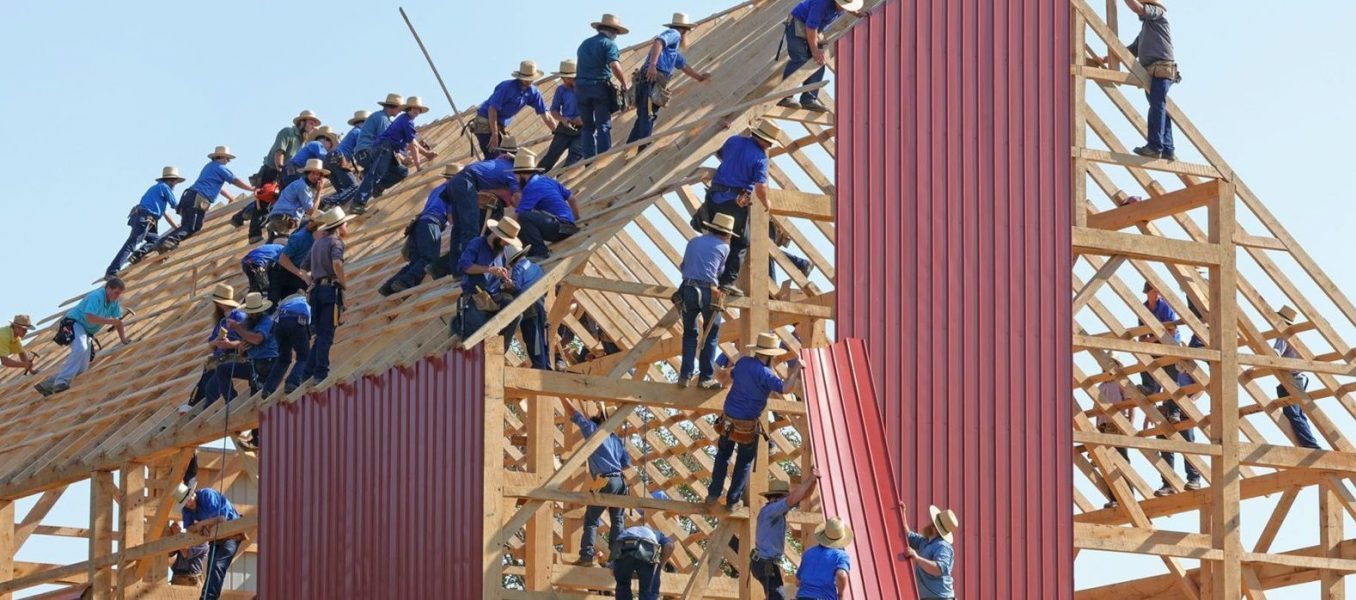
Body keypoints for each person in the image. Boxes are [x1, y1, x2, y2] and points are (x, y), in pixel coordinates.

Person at [707, 332, 803, 508]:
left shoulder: (743, 363)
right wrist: (797, 368)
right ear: (770, 355)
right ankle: (733, 500)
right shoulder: (766, 374)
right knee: (743, 462)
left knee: (722, 455)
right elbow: (786, 388)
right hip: (747, 425)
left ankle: (713, 493)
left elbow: (731, 376)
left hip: (728, 420)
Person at [689, 121, 782, 296]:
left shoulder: (733, 141)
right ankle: (727, 281)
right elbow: (760, 187)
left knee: (718, 235)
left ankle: (711, 275)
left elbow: (720, 153)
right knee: (742, 241)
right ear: (764, 140)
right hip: (733, 202)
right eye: (769, 143)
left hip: (714, 197)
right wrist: (766, 203)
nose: (769, 147)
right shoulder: (760, 158)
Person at [1138, 282, 1200, 496]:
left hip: (1181, 404)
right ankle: (1168, 483)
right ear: (1149, 292)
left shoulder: (1182, 361)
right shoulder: (1145, 307)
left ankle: (1194, 479)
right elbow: (1141, 333)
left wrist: (1189, 402)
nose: (1157, 293)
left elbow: (1170, 328)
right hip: (1166, 398)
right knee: (1166, 443)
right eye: (1154, 290)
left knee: (1187, 443)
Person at [563, 399, 631, 566]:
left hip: (605, 479)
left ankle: (586, 555)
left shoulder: (594, 431)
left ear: (601, 417)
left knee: (592, 519)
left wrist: (562, 397)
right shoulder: (615, 440)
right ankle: (616, 558)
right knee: (617, 520)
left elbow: (575, 415)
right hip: (620, 482)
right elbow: (626, 463)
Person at [34, 278, 129, 397]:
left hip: (87, 331)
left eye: (119, 294)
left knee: (82, 368)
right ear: (108, 288)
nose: (117, 296)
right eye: (116, 292)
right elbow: (90, 317)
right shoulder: (96, 296)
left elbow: (118, 322)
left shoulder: (114, 303)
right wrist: (110, 321)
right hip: (74, 323)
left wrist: (124, 340)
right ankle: (61, 382)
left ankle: (47, 384)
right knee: (80, 348)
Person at [626, 13, 711, 146]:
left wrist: (699, 77)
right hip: (652, 78)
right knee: (648, 114)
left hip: (648, 80)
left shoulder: (672, 51)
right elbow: (658, 42)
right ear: (684, 30)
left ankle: (630, 145)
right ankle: (643, 145)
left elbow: (683, 66)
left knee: (644, 115)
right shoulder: (674, 34)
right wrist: (653, 65)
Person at [380, 163, 463, 297]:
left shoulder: (436, 189)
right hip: (432, 224)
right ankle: (404, 282)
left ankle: (389, 286)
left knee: (417, 260)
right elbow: (451, 217)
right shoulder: (453, 191)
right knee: (429, 258)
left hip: (419, 224)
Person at [677, 213, 736, 389]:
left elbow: (683, 266)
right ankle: (706, 378)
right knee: (711, 334)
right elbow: (719, 271)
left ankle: (685, 375)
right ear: (726, 234)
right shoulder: (724, 248)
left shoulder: (693, 242)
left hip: (688, 288)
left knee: (689, 333)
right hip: (709, 291)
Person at [350, 97, 438, 214]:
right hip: (374, 151)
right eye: (414, 109)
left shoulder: (403, 120)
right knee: (376, 173)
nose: (416, 112)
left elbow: (410, 141)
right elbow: (410, 145)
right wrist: (418, 166)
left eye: (418, 110)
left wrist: (424, 154)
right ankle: (358, 203)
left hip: (380, 150)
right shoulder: (384, 119)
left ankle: (377, 188)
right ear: (395, 107)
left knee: (401, 171)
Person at [160, 147, 254, 249]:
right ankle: (169, 241)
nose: (228, 162)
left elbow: (218, 187)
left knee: (185, 227)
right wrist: (251, 189)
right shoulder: (220, 167)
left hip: (189, 197)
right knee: (193, 227)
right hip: (197, 199)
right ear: (222, 157)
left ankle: (161, 243)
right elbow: (235, 180)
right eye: (227, 159)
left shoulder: (209, 167)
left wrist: (230, 197)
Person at [778, 0, 863, 112]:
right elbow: (810, 27)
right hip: (797, 24)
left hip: (814, 29)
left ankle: (809, 100)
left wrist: (856, 12)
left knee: (819, 61)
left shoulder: (842, 7)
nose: (844, 8)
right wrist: (814, 50)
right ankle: (784, 97)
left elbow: (814, 28)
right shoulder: (821, 3)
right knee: (800, 59)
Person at [302, 207, 356, 384]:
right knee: (326, 334)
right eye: (346, 224)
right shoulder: (336, 242)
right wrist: (343, 283)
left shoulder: (317, 243)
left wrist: (314, 280)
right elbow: (337, 264)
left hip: (315, 292)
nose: (347, 227)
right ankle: (321, 373)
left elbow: (304, 268)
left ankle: (307, 373)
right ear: (339, 226)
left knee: (319, 335)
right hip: (329, 291)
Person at [1121, 0, 1177, 160]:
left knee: (1157, 106)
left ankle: (1155, 146)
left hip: (1161, 68)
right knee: (1159, 106)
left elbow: (1137, 8)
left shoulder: (1158, 13)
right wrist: (1106, 59)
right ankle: (1167, 147)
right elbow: (1131, 50)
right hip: (1152, 71)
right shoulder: (1146, 29)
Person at [752, 471, 820, 600]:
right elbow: (791, 500)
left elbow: (802, 498)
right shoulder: (771, 510)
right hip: (765, 564)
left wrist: (813, 482)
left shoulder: (774, 511)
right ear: (777, 499)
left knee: (774, 596)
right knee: (776, 597)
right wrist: (809, 479)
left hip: (766, 563)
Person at [202, 293, 277, 408]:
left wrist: (237, 328)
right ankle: (231, 402)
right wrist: (238, 349)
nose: (251, 314)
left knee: (258, 400)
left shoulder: (266, 320)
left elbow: (257, 339)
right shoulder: (248, 322)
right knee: (222, 370)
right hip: (253, 364)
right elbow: (244, 347)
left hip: (267, 363)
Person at [106, 166, 184, 277]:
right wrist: (187, 219)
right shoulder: (165, 187)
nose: (176, 184)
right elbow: (176, 206)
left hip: (145, 218)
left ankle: (137, 255)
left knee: (156, 240)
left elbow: (166, 214)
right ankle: (112, 271)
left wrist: (177, 227)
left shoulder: (157, 190)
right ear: (172, 180)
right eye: (176, 182)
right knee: (131, 244)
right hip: (145, 218)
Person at [179, 284, 245, 414]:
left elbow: (247, 341)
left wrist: (229, 345)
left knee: (211, 384)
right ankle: (194, 405)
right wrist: (216, 342)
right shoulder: (222, 321)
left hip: (233, 357)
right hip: (220, 358)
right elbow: (210, 344)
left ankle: (204, 409)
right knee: (206, 375)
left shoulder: (240, 317)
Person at [454, 218, 522, 342]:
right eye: (505, 241)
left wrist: (506, 281)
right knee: (478, 335)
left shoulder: (503, 251)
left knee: (515, 314)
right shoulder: (477, 243)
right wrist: (488, 269)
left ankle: (499, 350)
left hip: (494, 297)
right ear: (496, 236)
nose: (507, 244)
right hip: (475, 297)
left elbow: (500, 275)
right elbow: (465, 266)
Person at [448, 147, 520, 264]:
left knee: (458, 229)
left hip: (458, 181)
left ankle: (458, 270)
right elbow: (516, 199)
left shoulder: (498, 163)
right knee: (471, 228)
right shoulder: (511, 172)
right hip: (467, 182)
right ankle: (469, 266)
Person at [173, 483, 242, 600]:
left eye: (188, 499)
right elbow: (189, 527)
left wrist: (201, 524)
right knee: (211, 569)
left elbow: (221, 519)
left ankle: (209, 598)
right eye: (185, 503)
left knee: (217, 566)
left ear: (193, 494)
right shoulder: (187, 509)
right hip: (216, 537)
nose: (188, 504)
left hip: (232, 534)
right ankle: (205, 597)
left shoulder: (207, 495)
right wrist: (206, 525)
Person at [474, 60, 556, 157]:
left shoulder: (533, 92)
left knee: (509, 156)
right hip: (485, 122)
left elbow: (545, 114)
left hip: (500, 125)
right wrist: (494, 134)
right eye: (526, 78)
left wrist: (556, 131)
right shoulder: (507, 87)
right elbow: (492, 109)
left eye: (531, 79)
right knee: (493, 155)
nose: (529, 81)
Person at [576, 14, 630, 158]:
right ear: (613, 31)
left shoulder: (584, 44)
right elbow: (614, 65)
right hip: (598, 87)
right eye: (617, 33)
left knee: (587, 127)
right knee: (603, 125)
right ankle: (604, 157)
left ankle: (588, 159)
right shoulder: (609, 44)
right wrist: (625, 84)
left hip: (581, 88)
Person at [512, 151, 580, 258]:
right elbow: (572, 199)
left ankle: (540, 253)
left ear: (521, 174)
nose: (515, 179)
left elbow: (518, 216)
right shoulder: (547, 180)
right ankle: (530, 253)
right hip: (568, 227)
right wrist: (576, 219)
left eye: (515, 175)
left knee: (523, 217)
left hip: (559, 228)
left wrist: (505, 236)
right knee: (528, 217)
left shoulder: (531, 187)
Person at [1274, 305, 1321, 450]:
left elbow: (1275, 354)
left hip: (1292, 379)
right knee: (1298, 413)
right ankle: (1310, 444)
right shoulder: (1295, 336)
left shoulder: (1283, 335)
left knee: (1293, 413)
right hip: (1299, 378)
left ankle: (1311, 446)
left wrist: (1256, 364)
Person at [500, 246, 549, 369]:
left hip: (529, 309)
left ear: (512, 261)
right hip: (540, 305)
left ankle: (539, 366)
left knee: (533, 339)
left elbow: (516, 286)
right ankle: (545, 365)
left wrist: (508, 285)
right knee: (541, 338)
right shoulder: (536, 266)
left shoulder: (518, 267)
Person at [1094, 359, 1134, 509]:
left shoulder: (1120, 383)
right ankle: (1115, 497)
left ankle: (1128, 496)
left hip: (1117, 425)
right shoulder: (1100, 386)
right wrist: (1095, 429)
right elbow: (1096, 411)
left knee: (1121, 461)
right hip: (1104, 426)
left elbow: (1130, 404)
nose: (1105, 369)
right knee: (1108, 464)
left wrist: (1128, 424)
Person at [903, 504, 957, 600]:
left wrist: (917, 558)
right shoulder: (926, 541)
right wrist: (902, 513)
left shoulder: (943, 547)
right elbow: (907, 536)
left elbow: (938, 569)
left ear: (934, 526)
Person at [266, 158, 328, 242]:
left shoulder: (302, 185)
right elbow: (311, 211)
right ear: (307, 173)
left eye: (318, 174)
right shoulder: (303, 186)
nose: (315, 177)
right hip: (282, 222)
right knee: (280, 247)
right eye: (313, 173)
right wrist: (319, 191)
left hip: (281, 220)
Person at [262, 292, 311, 396]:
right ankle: (292, 382)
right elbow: (311, 324)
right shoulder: (307, 301)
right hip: (296, 320)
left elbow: (272, 321)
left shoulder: (286, 301)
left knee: (283, 359)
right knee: (304, 357)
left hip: (279, 323)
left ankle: (268, 389)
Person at [540, 60, 585, 171]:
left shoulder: (586, 88)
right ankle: (533, 180)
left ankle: (562, 179)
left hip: (583, 129)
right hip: (565, 128)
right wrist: (563, 119)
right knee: (550, 157)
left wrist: (585, 117)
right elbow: (554, 110)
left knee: (574, 156)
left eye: (564, 77)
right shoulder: (561, 90)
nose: (562, 80)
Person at [795, 517, 853, 600]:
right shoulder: (841, 556)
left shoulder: (808, 553)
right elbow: (841, 575)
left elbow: (798, 582)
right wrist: (841, 595)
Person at [612, 524, 675, 600]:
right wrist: (659, 567)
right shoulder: (656, 533)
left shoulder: (626, 532)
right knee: (648, 590)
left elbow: (615, 556)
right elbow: (669, 546)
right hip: (646, 549)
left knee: (622, 586)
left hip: (623, 548)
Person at [272, 218, 317, 304]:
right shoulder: (300, 237)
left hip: (294, 270)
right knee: (273, 300)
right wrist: (302, 275)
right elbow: (283, 259)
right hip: (279, 270)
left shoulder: (321, 241)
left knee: (297, 299)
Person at [353, 94, 404, 167]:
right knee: (400, 171)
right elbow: (387, 142)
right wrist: (402, 158)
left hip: (363, 155)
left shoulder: (380, 116)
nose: (400, 112)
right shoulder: (383, 119)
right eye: (399, 109)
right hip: (368, 153)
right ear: (393, 107)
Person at [326, 111, 368, 198]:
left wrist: (356, 171)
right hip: (338, 158)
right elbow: (362, 151)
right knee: (354, 187)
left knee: (343, 191)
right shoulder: (359, 132)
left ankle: (326, 203)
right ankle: (329, 201)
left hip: (329, 159)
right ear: (363, 123)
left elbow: (352, 157)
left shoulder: (353, 132)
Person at [166, 521, 209, 586]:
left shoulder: (203, 542)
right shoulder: (184, 539)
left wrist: (177, 534)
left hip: (191, 579)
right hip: (178, 577)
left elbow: (186, 553)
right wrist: (173, 534)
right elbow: (170, 553)